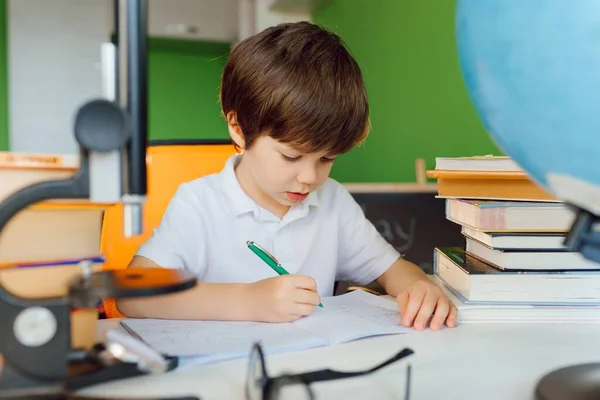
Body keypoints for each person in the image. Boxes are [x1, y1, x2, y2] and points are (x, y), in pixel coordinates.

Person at [116, 21, 457, 331]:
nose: (309, 177)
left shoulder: (333, 201)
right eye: (291, 156)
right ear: (238, 128)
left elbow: (394, 270)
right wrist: (247, 301)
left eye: (327, 159)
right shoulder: (199, 203)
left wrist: (418, 286)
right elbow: (133, 297)